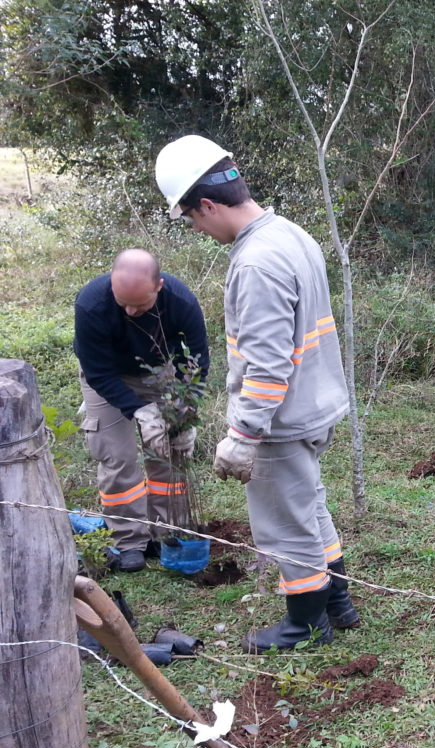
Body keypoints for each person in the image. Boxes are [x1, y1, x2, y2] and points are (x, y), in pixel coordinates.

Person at [155, 134, 359, 653]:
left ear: (207, 204)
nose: (198, 230)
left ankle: (306, 625)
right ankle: (338, 602)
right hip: (316, 404)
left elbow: (268, 362)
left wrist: (244, 434)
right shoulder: (291, 234)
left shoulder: (255, 262)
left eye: (193, 219)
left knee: (287, 524)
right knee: (310, 505)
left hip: (282, 420)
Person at [74, 249, 209, 573]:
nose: (132, 311)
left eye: (141, 304)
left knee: (167, 452)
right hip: (106, 380)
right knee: (116, 457)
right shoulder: (91, 304)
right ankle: (129, 541)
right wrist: (140, 411)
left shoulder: (181, 302)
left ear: (159, 286)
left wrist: (184, 409)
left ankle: (166, 532)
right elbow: (98, 373)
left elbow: (196, 361)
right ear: (112, 285)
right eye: (124, 304)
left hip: (159, 373)